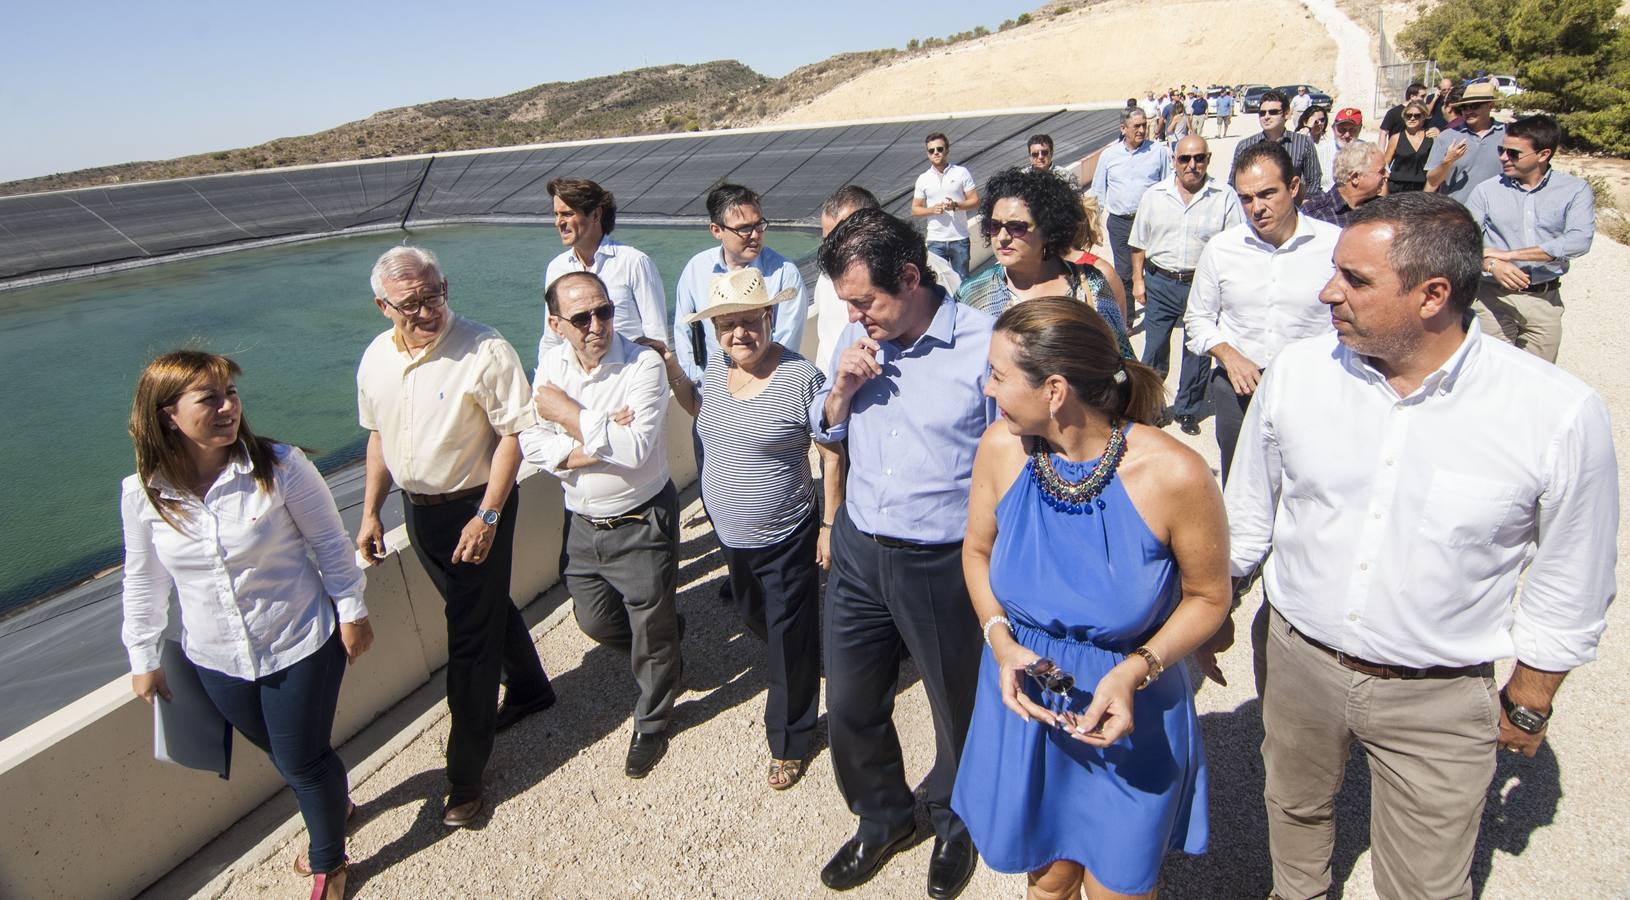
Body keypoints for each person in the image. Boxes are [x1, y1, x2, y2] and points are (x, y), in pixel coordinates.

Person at [1217, 192, 1618, 900]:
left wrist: (1530, 696)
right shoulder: (1299, 375)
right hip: (1297, 659)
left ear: (1433, 295)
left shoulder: (1554, 412)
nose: (1328, 292)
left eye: (1355, 279)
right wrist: (1207, 607)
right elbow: (1249, 516)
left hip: (1438, 695)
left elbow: (1572, 574)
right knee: (1295, 810)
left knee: (1427, 883)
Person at [952, 297, 1230, 899]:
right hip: (1025, 694)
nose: (987, 386)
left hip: (1131, 706)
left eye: (999, 375)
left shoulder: (1176, 474)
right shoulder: (1001, 448)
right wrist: (1001, 643)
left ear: (1054, 390)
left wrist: (1139, 669)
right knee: (1047, 881)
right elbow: (975, 553)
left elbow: (1210, 597)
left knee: (1119, 886)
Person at [122, 351, 371, 900]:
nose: (227, 407)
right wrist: (142, 658)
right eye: (209, 398)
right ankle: (337, 804)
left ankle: (329, 862)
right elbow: (144, 583)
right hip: (216, 661)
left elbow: (330, 543)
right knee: (290, 758)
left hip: (299, 640)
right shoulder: (143, 493)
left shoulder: (279, 465)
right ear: (167, 415)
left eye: (231, 394)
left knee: (303, 759)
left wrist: (352, 611)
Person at [811, 209, 996, 897]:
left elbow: (1013, 463)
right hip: (861, 547)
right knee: (852, 703)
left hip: (939, 561)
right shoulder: (858, 340)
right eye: (846, 304)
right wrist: (839, 394)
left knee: (957, 707)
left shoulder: (983, 348)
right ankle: (883, 817)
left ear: (911, 277)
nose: (856, 316)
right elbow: (826, 431)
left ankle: (955, 820)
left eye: (864, 300)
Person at [355, 246, 555, 827]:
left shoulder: (484, 348)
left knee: (468, 640)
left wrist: (489, 516)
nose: (426, 312)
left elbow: (513, 436)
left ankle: (464, 778)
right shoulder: (375, 359)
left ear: (446, 284)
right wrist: (370, 514)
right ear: (382, 306)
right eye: (410, 304)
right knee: (480, 609)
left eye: (434, 295)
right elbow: (377, 439)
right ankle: (531, 688)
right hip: (419, 515)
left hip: (477, 507)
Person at [646, 267, 830, 791]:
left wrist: (831, 524)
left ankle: (791, 738)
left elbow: (831, 452)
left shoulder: (801, 378)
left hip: (788, 530)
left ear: (769, 317)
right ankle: (799, 661)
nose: (738, 334)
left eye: (749, 321)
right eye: (726, 325)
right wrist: (672, 367)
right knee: (756, 618)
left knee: (788, 637)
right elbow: (700, 409)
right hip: (734, 537)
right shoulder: (716, 375)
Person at [519, 271, 682, 779]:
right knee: (592, 619)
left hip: (641, 519)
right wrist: (596, 441)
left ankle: (652, 721)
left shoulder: (643, 364)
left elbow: (636, 453)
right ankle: (667, 645)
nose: (597, 325)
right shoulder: (549, 364)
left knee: (650, 631)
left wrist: (566, 413)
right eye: (582, 317)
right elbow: (531, 443)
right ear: (556, 324)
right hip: (583, 522)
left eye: (605, 311)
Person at [1185, 142, 1339, 482]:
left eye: (1268, 194)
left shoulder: (1334, 247)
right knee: (1241, 486)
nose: (1257, 208)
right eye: (1246, 198)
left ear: (1294, 187)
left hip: (1312, 391)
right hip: (1239, 391)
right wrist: (1227, 354)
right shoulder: (1221, 249)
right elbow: (1197, 319)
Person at [1129, 134, 1245, 436]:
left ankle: (1187, 409)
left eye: (1199, 158)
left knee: (1198, 350)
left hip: (1202, 286)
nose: (1192, 165)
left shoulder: (1224, 196)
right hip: (1161, 281)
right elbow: (1138, 243)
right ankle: (1150, 407)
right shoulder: (1154, 195)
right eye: (1185, 159)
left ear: (1208, 159)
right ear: (1174, 161)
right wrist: (1138, 281)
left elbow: (1234, 245)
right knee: (1154, 350)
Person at [958, 167, 1134, 358]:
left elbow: (1120, 362)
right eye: (993, 226)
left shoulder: (1090, 285)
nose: (1002, 237)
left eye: (1017, 227)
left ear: (1048, 228)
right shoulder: (972, 293)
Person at [1465, 114, 1596, 362]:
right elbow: (1464, 241)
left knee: (1538, 380)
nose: (1503, 157)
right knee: (1491, 373)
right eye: (1502, 150)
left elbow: (1579, 241)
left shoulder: (1574, 190)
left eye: (1513, 153)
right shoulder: (1486, 190)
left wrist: (1509, 255)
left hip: (1544, 302)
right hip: (1492, 299)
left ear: (1543, 155)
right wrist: (1492, 264)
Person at [814, 185, 961, 374]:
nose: (835, 251)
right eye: (828, 241)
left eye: (845, 236)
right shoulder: (826, 280)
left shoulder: (937, 271)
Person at [673, 183, 808, 384]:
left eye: (759, 225)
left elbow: (785, 346)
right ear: (716, 230)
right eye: (744, 229)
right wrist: (701, 388)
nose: (755, 235)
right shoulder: (696, 269)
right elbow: (683, 334)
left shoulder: (785, 273)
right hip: (713, 390)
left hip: (766, 390)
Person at [535, 177, 669, 368]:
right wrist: (542, 380)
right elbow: (551, 337)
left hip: (626, 377)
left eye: (567, 214)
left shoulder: (634, 262)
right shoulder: (556, 268)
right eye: (556, 214)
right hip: (575, 381)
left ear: (596, 215)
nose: (558, 222)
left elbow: (655, 334)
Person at [1090, 108, 1172, 295]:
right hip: (1120, 223)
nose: (1142, 130)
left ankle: (1154, 313)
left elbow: (1169, 187)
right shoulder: (1109, 156)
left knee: (1153, 268)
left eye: (1144, 125)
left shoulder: (1159, 152)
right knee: (1124, 273)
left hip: (1151, 222)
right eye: (1137, 126)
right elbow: (1098, 192)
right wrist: (1093, 226)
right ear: (1123, 128)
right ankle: (1127, 320)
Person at [912, 132, 981, 278]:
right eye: (931, 151)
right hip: (935, 240)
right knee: (938, 282)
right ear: (928, 154)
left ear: (947, 150)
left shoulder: (961, 173)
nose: (936, 153)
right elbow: (915, 209)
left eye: (939, 149)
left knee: (962, 282)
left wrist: (956, 205)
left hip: (959, 238)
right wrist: (932, 210)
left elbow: (975, 200)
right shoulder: (923, 179)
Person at [1424, 81, 1505, 203]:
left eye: (1474, 106)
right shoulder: (1447, 136)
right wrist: (1447, 161)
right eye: (1464, 107)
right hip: (1457, 214)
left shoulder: (1507, 134)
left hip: (1495, 213)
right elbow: (1432, 181)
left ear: (1490, 105)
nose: (1468, 111)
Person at [1234, 90, 1322, 202]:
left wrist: (1305, 206)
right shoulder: (1244, 146)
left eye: (1273, 112)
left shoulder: (1303, 143)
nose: (1266, 117)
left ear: (1287, 114)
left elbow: (1314, 181)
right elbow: (1234, 184)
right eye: (1262, 113)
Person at [1301, 139, 1387, 227]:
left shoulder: (1383, 208)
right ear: (1355, 177)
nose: (1387, 175)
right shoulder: (1315, 214)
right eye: (1382, 171)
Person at [1382, 99, 1435, 194]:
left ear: (1424, 117)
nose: (1412, 118)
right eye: (1408, 115)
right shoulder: (1396, 138)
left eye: (1417, 115)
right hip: (1397, 188)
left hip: (1422, 188)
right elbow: (1385, 165)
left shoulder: (1431, 136)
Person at [1296, 106, 1335, 193]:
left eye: (1322, 120)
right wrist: (1308, 128)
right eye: (1316, 121)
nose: (1320, 123)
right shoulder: (1299, 138)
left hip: (1327, 189)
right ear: (1305, 121)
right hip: (1306, 190)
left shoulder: (1330, 142)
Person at [1378, 82, 1428, 146]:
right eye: (1422, 96)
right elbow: (1383, 132)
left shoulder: (1422, 113)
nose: (1425, 100)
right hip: (1396, 151)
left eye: (1416, 115)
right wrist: (1382, 152)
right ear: (1412, 96)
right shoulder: (1394, 113)